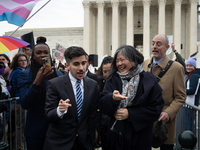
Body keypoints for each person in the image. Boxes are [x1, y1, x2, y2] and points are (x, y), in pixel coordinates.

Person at [100, 45, 164, 150]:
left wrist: (130, 114)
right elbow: (102, 103)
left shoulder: (149, 80)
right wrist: (112, 98)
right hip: (116, 138)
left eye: (122, 60)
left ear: (134, 60)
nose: (119, 63)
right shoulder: (113, 79)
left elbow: (156, 108)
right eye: (117, 61)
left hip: (140, 138)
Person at [43, 46, 99, 150]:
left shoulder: (93, 85)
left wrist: (91, 140)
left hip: (84, 143)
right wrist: (59, 110)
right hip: (59, 144)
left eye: (83, 63)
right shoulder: (55, 84)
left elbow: (92, 117)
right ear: (67, 65)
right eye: (76, 64)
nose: (81, 68)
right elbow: (48, 115)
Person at [17, 36, 62, 150]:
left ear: (50, 55)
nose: (42, 55)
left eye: (45, 52)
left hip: (58, 130)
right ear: (33, 56)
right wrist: (37, 83)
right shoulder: (25, 75)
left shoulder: (59, 75)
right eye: (38, 52)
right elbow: (24, 103)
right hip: (36, 132)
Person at [143, 34, 186, 150]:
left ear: (167, 48)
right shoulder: (144, 64)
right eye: (153, 43)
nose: (154, 47)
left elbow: (180, 97)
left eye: (158, 44)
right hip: (144, 122)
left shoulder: (177, 68)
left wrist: (168, 113)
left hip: (163, 124)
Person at [9, 53, 28, 150]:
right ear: (16, 61)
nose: (24, 62)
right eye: (21, 60)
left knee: (21, 127)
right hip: (18, 102)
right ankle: (19, 147)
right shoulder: (18, 72)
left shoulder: (18, 71)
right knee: (20, 128)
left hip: (18, 102)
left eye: (25, 59)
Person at [97, 56, 113, 150]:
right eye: (105, 71)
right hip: (104, 128)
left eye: (110, 71)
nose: (107, 74)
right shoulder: (98, 86)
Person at [181, 56, 200, 134]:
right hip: (188, 105)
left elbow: (192, 91)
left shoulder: (194, 76)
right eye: (187, 66)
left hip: (190, 105)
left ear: (194, 67)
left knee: (188, 126)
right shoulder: (191, 75)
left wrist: (181, 91)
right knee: (188, 125)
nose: (188, 67)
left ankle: (191, 144)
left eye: (190, 66)